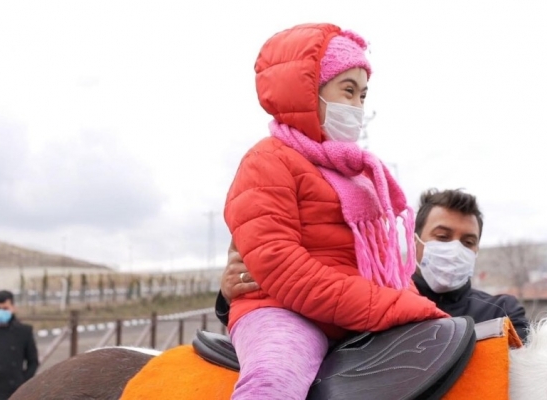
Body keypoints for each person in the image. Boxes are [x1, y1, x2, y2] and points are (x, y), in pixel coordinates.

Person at [222, 23, 448, 400]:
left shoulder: (356, 172)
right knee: (275, 378)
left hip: (352, 313)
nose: (358, 106)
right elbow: (282, 266)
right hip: (284, 311)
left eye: (363, 95)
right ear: (308, 89)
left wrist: (411, 303)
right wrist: (393, 306)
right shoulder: (266, 160)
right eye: (348, 90)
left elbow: (384, 267)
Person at [217, 188, 530, 341]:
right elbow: (308, 313)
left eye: (468, 241)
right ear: (415, 241)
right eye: (442, 236)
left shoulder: (502, 312)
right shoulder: (374, 299)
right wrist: (231, 298)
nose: (455, 248)